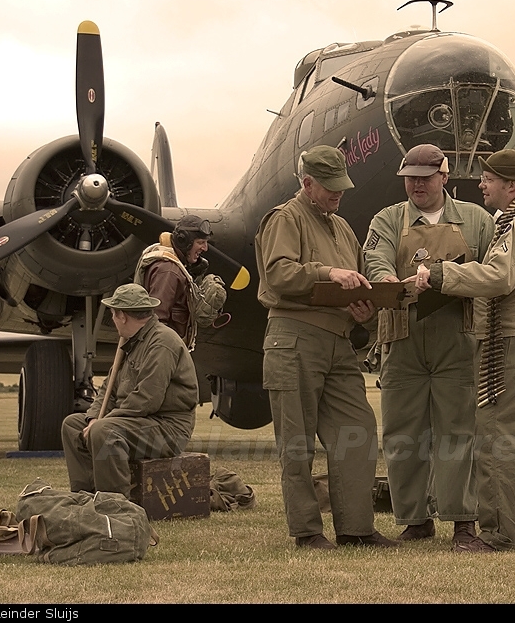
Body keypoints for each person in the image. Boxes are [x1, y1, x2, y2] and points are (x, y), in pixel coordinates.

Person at [413, 149, 515, 553]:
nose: (481, 184)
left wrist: (440, 274)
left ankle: (499, 534)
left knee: (500, 437)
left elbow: (500, 275)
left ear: (511, 186)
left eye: (488, 178)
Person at [255, 145, 396, 550]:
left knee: (359, 430)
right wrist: (330, 273)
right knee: (296, 444)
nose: (338, 194)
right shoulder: (285, 218)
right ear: (307, 184)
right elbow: (280, 274)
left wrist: (365, 307)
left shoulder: (343, 228)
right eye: (330, 187)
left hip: (337, 341)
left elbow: (354, 288)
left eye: (341, 186)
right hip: (293, 336)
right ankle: (308, 532)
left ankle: (355, 528)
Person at [362, 144, 494, 546]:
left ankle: (462, 521)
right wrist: (386, 278)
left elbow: (494, 271)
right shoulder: (387, 219)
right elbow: (374, 258)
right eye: (410, 177)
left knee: (459, 430)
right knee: (402, 433)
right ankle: (414, 520)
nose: (417, 184)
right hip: (401, 340)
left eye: (425, 176)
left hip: (459, 337)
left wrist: (450, 277)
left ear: (445, 177)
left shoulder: (477, 220)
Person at [60, 284, 198, 497]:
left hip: (167, 429)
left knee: (103, 431)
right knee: (72, 425)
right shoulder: (130, 342)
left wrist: (102, 423)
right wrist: (92, 418)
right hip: (137, 422)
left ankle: (115, 504)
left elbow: (146, 400)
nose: (113, 320)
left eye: (113, 314)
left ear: (122, 316)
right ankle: (84, 496)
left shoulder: (162, 343)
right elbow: (108, 389)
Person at [134, 214, 226, 351]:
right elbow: (156, 321)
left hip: (168, 349)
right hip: (163, 351)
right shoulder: (168, 271)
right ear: (183, 241)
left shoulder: (172, 268)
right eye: (200, 242)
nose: (205, 248)